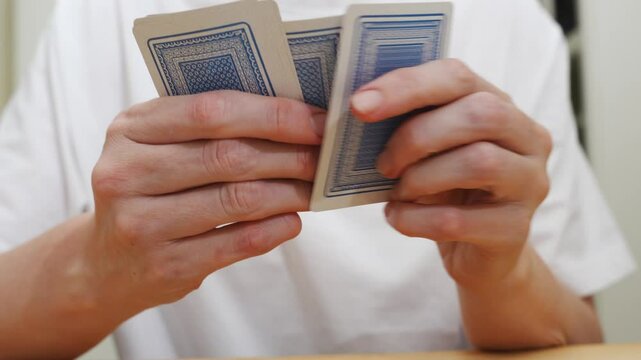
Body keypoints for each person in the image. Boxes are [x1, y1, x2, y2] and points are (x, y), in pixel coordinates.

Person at [0, 0, 635, 358]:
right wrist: (98, 261)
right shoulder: (96, 17)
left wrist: (502, 270)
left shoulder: (510, 22)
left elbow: (584, 344)